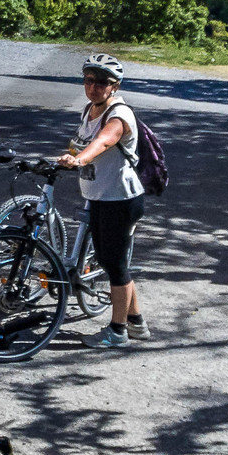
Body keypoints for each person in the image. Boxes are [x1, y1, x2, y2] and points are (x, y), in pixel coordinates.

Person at [56, 53, 147, 351]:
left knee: (115, 264)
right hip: (98, 197)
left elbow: (103, 142)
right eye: (89, 80)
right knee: (111, 261)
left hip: (120, 200)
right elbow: (80, 142)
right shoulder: (89, 110)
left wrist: (79, 159)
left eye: (102, 82)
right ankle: (136, 322)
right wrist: (65, 157)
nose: (94, 87)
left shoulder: (119, 115)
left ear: (115, 86)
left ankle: (117, 331)